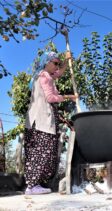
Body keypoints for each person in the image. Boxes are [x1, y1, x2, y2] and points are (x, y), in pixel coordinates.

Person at [24, 50, 78, 195]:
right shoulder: (45, 77)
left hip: (36, 121)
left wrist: (66, 62)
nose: (57, 66)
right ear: (46, 62)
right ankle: (32, 186)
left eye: (58, 64)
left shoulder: (41, 75)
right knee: (41, 152)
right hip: (41, 120)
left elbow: (59, 74)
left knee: (38, 152)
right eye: (55, 63)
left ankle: (33, 185)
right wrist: (69, 97)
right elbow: (50, 98)